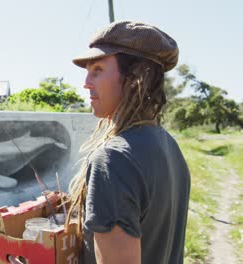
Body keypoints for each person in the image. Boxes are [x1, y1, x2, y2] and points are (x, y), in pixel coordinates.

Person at [65, 21, 191, 263]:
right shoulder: (170, 146)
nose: (86, 82)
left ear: (136, 77)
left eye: (98, 69)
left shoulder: (114, 159)